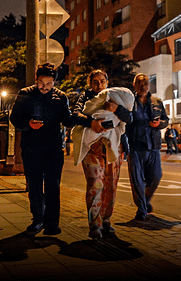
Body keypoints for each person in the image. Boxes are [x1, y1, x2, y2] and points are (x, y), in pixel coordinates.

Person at [10, 63, 74, 236]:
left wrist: (79, 116)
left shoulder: (61, 97)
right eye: (41, 83)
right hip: (31, 147)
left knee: (53, 185)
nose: (44, 87)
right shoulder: (25, 94)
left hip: (53, 148)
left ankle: (52, 223)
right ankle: (37, 219)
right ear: (36, 80)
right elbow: (14, 118)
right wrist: (28, 125)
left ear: (54, 82)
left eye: (48, 84)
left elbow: (67, 120)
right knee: (35, 185)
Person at [71, 69, 134, 239]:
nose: (99, 85)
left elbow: (129, 118)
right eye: (95, 82)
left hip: (114, 147)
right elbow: (74, 115)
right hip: (93, 148)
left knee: (111, 186)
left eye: (102, 81)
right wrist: (90, 122)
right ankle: (94, 225)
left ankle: (106, 220)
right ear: (89, 83)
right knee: (95, 185)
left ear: (107, 82)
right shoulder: (84, 97)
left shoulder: (114, 96)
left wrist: (116, 109)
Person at [126, 73, 169, 221]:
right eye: (139, 83)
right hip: (135, 146)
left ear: (149, 85)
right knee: (137, 180)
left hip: (153, 146)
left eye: (145, 83)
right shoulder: (129, 102)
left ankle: (145, 200)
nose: (143, 86)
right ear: (134, 85)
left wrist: (159, 124)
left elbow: (166, 120)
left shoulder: (157, 101)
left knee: (156, 176)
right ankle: (141, 209)